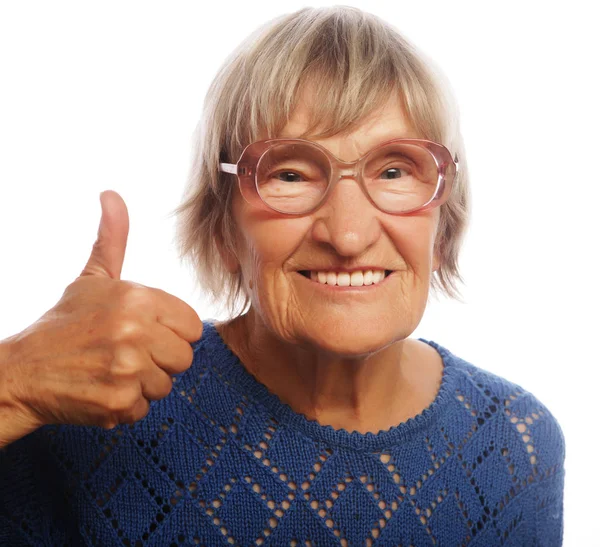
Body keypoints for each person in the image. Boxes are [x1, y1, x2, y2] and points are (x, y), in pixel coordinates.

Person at [0, 6, 565, 546]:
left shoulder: (516, 446)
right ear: (222, 228)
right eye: (291, 175)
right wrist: (13, 384)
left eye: (395, 170)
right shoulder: (93, 412)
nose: (347, 236)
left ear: (442, 224)